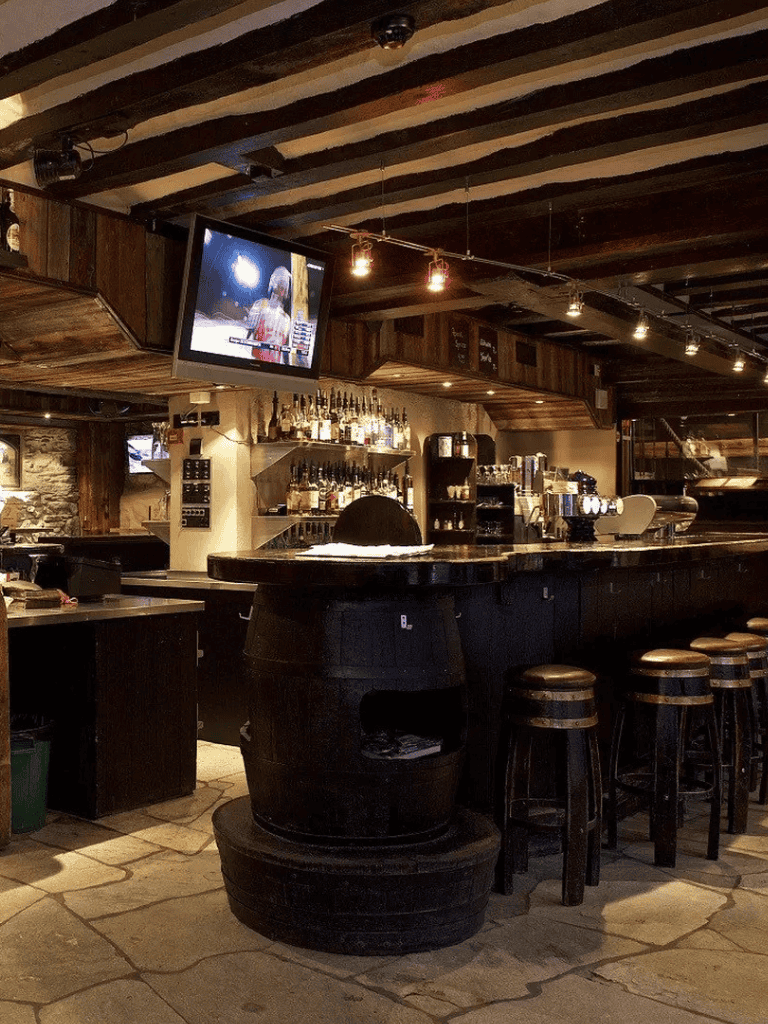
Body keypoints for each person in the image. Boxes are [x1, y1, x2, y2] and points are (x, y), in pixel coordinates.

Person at [245, 266, 291, 363]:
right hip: (258, 363)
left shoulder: (286, 319)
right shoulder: (260, 306)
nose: (280, 290)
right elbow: (247, 335)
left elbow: (285, 349)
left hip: (271, 367)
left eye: (282, 287)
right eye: (280, 286)